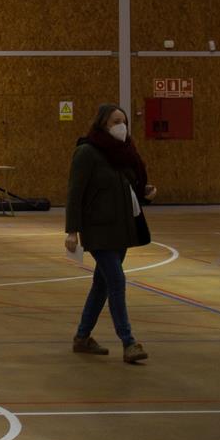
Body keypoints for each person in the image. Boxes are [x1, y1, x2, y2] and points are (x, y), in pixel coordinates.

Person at [64, 104, 155, 365]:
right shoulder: (87, 152)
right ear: (103, 123)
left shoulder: (124, 153)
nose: (121, 126)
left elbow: (127, 188)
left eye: (124, 121)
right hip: (98, 231)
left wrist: (145, 193)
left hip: (121, 229)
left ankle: (82, 337)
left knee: (101, 284)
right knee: (116, 280)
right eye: (116, 121)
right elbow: (75, 193)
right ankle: (128, 342)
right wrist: (72, 231)